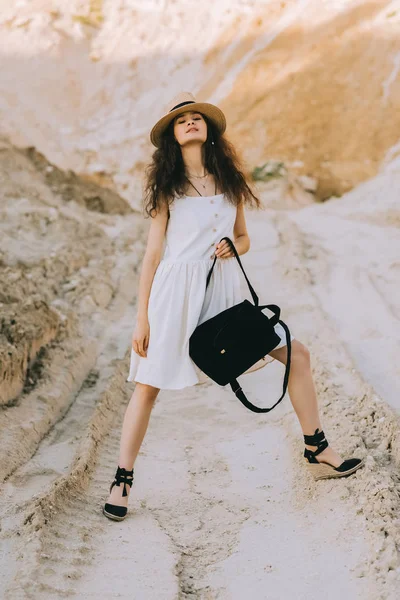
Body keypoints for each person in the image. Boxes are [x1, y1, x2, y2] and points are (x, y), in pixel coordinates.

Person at [103, 92, 365, 521]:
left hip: (224, 292)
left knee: (297, 353)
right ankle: (122, 480)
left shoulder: (229, 181)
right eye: (181, 119)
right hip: (174, 294)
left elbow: (244, 238)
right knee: (147, 387)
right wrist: (141, 317)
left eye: (196, 118)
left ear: (208, 131)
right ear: (172, 134)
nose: (190, 122)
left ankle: (317, 449)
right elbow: (152, 255)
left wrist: (232, 246)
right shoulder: (166, 187)